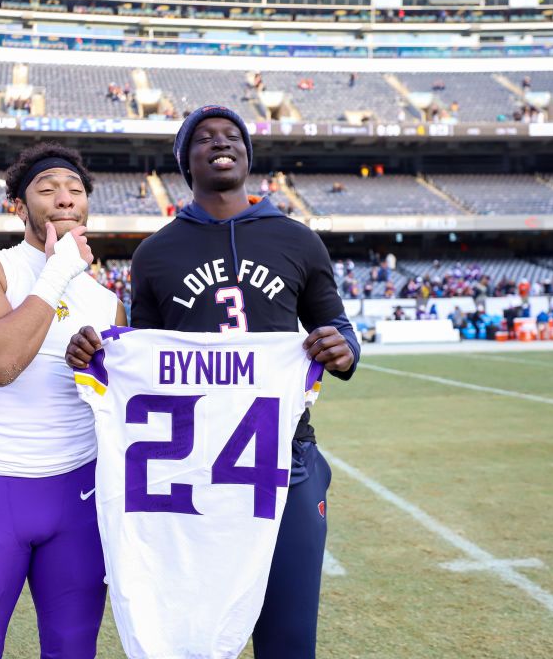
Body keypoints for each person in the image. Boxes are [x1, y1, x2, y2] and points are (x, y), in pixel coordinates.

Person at [65, 105, 360, 658]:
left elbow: (336, 324)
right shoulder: (155, 253)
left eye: (232, 136)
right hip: (187, 471)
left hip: (283, 461)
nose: (220, 143)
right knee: (188, 632)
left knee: (289, 640)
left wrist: (346, 349)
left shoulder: (299, 241)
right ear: (186, 161)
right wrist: (96, 355)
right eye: (204, 138)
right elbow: (143, 363)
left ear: (248, 155)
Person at [0, 143, 123, 658]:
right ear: (18, 206)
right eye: (47, 189)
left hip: (79, 496)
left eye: (76, 189)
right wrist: (59, 271)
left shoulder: (107, 301)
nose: (64, 198)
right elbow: (0, 362)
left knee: (72, 649)